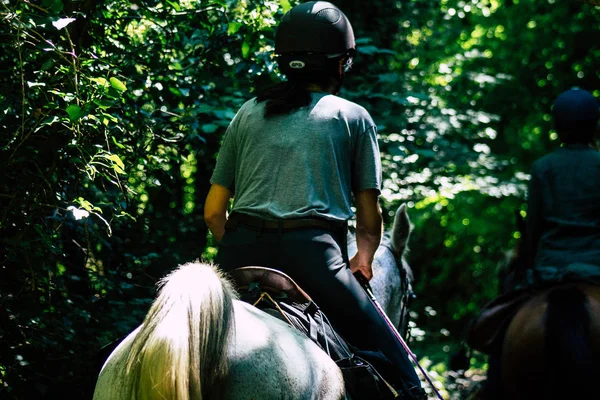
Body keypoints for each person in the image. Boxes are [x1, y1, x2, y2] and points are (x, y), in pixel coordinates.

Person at [203, 2, 425, 398]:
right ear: (341, 63)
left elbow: (213, 212)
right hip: (314, 255)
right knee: (388, 353)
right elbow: (368, 219)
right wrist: (362, 260)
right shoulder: (353, 117)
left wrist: (242, 249)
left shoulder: (248, 113)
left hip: (238, 248)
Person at [482, 87, 600, 400]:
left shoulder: (543, 167)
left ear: (558, 126)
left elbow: (531, 231)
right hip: (597, 268)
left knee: (502, 330)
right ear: (594, 125)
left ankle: (492, 386)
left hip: (549, 272)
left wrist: (524, 265)